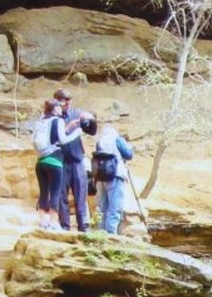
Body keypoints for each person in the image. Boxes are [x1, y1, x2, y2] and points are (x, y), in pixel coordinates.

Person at [53, 88, 90, 231]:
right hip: (61, 160)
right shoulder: (53, 118)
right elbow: (52, 138)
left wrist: (89, 119)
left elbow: (92, 130)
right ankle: (65, 226)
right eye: (63, 100)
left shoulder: (77, 113)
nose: (67, 103)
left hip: (77, 159)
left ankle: (84, 226)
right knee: (62, 195)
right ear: (57, 101)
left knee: (81, 194)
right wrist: (68, 128)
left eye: (69, 99)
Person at [32, 99, 70, 230]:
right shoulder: (58, 121)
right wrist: (77, 133)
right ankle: (54, 222)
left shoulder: (41, 122)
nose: (61, 109)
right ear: (54, 109)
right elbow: (63, 140)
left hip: (40, 161)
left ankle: (42, 221)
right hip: (55, 162)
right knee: (55, 193)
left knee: (43, 192)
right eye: (59, 107)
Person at [92, 124, 136, 235]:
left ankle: (101, 232)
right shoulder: (117, 139)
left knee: (103, 206)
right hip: (116, 175)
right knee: (115, 205)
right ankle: (111, 232)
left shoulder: (100, 142)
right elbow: (129, 155)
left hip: (101, 177)